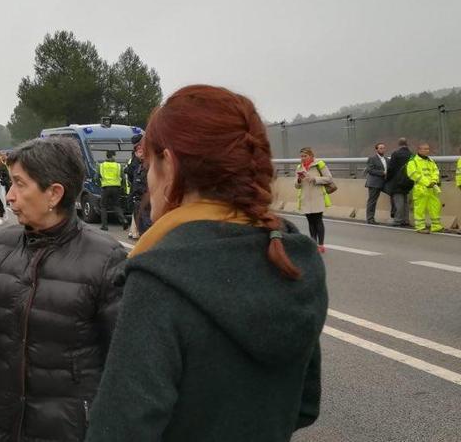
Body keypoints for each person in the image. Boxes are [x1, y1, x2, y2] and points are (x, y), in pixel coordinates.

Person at [87, 84, 327, 442]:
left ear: (170, 164)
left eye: (151, 164)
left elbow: (119, 429)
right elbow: (305, 406)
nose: (148, 179)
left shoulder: (161, 277)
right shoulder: (291, 256)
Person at [0, 137, 127, 442]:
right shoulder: (2, 244)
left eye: (19, 184)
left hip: (68, 430)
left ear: (54, 193)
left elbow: (124, 362)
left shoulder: (106, 259)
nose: (9, 196)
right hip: (0, 423)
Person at [295, 147, 332, 253]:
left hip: (317, 197)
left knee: (318, 221)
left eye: (305, 156)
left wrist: (314, 178)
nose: (303, 158)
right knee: (310, 222)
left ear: (311, 155)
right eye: (301, 156)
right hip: (305, 198)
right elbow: (297, 186)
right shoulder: (299, 167)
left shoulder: (319, 164)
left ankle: (321, 245)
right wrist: (299, 180)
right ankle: (313, 244)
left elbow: (329, 178)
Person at [406, 143, 443, 234]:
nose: (427, 151)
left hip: (432, 188)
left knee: (435, 206)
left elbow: (435, 171)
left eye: (428, 149)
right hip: (420, 188)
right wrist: (427, 182)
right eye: (425, 149)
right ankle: (420, 227)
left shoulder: (430, 160)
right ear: (419, 150)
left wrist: (434, 181)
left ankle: (436, 226)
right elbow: (413, 174)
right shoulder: (413, 161)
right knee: (420, 208)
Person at [384, 137, 414, 227]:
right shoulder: (412, 155)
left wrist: (387, 178)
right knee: (405, 201)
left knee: (399, 201)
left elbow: (391, 168)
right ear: (406, 144)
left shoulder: (396, 154)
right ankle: (406, 220)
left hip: (397, 181)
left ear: (399, 144)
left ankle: (398, 220)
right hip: (408, 180)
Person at [98, 150, 128, 231]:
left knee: (103, 206)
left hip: (105, 188)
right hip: (116, 188)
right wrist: (122, 187)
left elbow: (97, 176)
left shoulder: (101, 165)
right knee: (116, 205)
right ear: (113, 156)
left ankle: (104, 226)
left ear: (106, 156)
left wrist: (99, 183)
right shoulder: (118, 166)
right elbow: (123, 177)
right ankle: (124, 220)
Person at [364, 142, 388, 224]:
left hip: (384, 183)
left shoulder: (387, 159)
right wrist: (383, 173)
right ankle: (370, 219)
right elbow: (370, 170)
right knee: (372, 201)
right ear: (376, 149)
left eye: (383, 148)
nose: (382, 149)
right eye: (380, 148)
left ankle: (395, 216)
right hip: (374, 183)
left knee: (394, 194)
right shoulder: (372, 158)